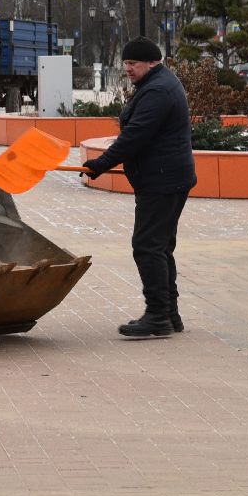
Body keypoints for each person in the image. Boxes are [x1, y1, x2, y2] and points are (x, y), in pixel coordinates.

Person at [82, 37, 196, 339]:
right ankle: (169, 314)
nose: (128, 69)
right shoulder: (159, 84)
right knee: (160, 246)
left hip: (162, 181)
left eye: (133, 64)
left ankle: (158, 316)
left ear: (151, 62)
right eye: (126, 64)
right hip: (166, 178)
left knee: (147, 246)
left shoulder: (158, 90)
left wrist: (100, 164)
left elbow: (135, 136)